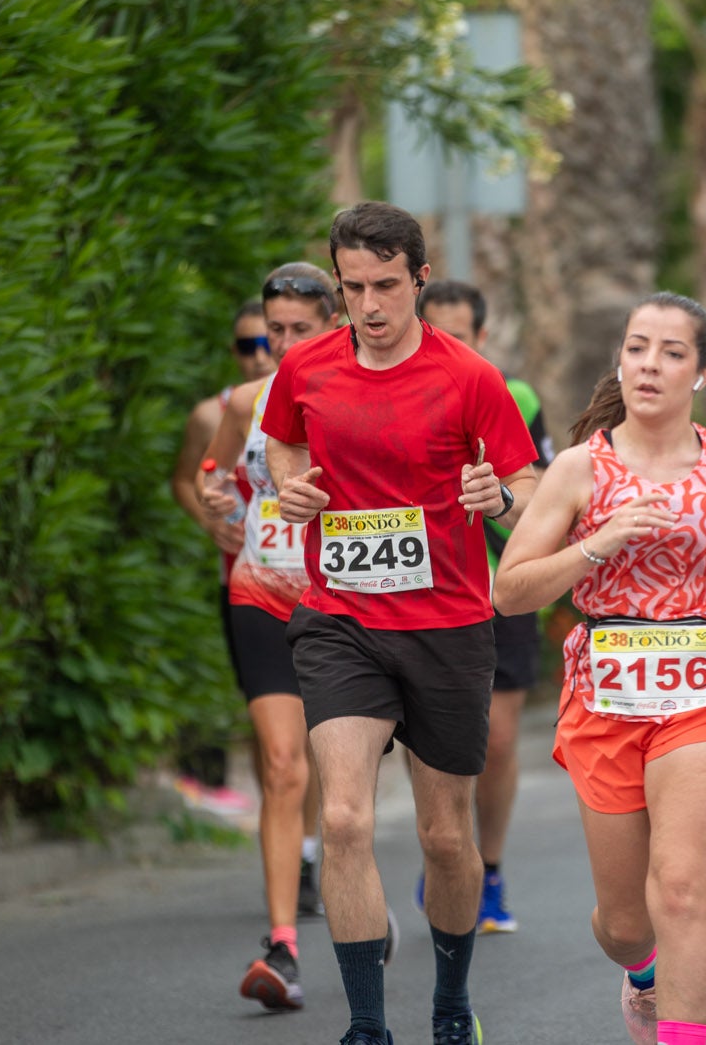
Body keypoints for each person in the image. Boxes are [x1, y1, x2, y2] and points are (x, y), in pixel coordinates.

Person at [262, 202, 541, 1045]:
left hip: (449, 623)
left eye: (387, 285)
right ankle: (368, 1027)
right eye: (353, 289)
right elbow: (282, 444)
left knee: (443, 834)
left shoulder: (470, 378)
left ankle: (451, 1003)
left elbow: (530, 490)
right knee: (344, 817)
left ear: (420, 278)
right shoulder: (306, 367)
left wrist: (499, 499)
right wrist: (293, 485)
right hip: (341, 617)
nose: (371, 305)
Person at [494, 292, 706, 1045]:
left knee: (681, 889)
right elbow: (509, 587)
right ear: (620, 359)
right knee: (626, 922)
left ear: (703, 370)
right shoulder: (581, 470)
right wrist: (599, 540)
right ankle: (641, 970)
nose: (651, 363)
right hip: (605, 694)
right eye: (638, 346)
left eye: (672, 351)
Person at [195, 264, 345, 1012]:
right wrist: (217, 498)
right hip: (260, 592)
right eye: (270, 332)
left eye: (298, 331)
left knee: (339, 775)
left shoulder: (360, 400)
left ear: (334, 326)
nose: (281, 346)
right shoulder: (247, 402)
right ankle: (283, 944)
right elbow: (211, 475)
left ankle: (357, 906)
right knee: (283, 764)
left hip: (343, 604)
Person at [413, 279, 553, 935]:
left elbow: (545, 492)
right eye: (434, 332)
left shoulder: (512, 396)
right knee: (431, 740)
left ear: (482, 338)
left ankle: (487, 868)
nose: (446, 347)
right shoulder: (389, 390)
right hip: (419, 591)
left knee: (496, 742)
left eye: (459, 335)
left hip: (499, 588)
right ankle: (446, 849)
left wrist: (496, 494)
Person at [170, 301, 277, 791]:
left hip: (314, 585)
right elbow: (185, 481)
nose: (259, 356)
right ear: (232, 352)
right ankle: (293, 839)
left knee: (314, 726)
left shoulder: (317, 403)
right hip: (244, 583)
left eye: (267, 341)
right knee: (268, 723)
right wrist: (210, 523)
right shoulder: (212, 416)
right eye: (246, 346)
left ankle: (309, 841)